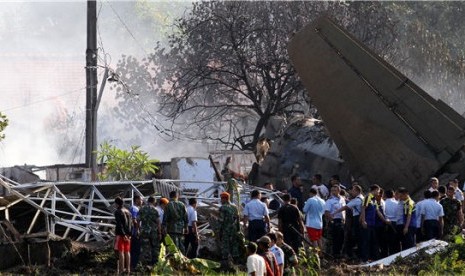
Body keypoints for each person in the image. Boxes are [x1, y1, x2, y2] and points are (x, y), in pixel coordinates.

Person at [332, 184, 363, 258]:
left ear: (357, 191)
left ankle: (357, 255)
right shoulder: (363, 198)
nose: (351, 192)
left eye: (353, 190)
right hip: (360, 219)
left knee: (356, 237)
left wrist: (334, 213)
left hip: (356, 219)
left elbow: (345, 207)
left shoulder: (357, 200)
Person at [360, 185, 382, 262]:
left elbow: (377, 211)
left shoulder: (374, 200)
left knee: (373, 241)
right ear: (375, 190)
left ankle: (373, 258)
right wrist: (363, 221)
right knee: (366, 241)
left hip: (373, 224)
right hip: (367, 223)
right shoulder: (367, 197)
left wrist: (385, 220)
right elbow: (363, 208)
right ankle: (364, 259)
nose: (378, 193)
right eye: (378, 191)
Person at [138, 196, 162, 266]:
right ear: (154, 201)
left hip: (144, 231)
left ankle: (143, 264)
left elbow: (138, 220)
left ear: (148, 201)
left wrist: (138, 230)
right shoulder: (155, 210)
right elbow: (158, 223)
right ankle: (154, 264)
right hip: (153, 232)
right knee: (155, 247)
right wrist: (160, 233)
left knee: (144, 248)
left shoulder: (142, 209)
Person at [218, 192, 241, 261]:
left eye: (221, 199)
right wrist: (238, 229)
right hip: (234, 229)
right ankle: (236, 259)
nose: (221, 201)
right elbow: (238, 218)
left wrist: (218, 230)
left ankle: (225, 260)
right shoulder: (234, 207)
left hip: (226, 229)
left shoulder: (222, 208)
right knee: (234, 244)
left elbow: (221, 220)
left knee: (225, 244)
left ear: (225, 199)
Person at [325, 184, 346, 257]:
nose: (333, 192)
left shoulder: (342, 199)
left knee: (341, 238)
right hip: (334, 220)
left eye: (335, 190)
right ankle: (334, 254)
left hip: (342, 221)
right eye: (332, 190)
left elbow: (344, 210)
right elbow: (327, 212)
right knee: (334, 239)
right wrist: (331, 220)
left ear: (339, 191)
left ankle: (339, 253)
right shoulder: (330, 200)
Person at [114, 196, 132, 274]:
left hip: (121, 234)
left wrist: (123, 234)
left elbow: (119, 224)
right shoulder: (128, 212)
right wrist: (129, 234)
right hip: (128, 234)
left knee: (120, 251)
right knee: (127, 251)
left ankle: (121, 269)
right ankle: (128, 269)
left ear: (117, 204)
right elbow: (131, 224)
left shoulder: (118, 211)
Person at [383, 189, 400, 254]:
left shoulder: (383, 203)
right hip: (395, 223)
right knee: (396, 242)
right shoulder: (397, 203)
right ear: (393, 195)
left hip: (386, 223)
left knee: (387, 241)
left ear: (385, 195)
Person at [129, 195, 142, 270]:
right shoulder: (134, 208)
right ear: (137, 200)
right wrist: (138, 230)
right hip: (135, 233)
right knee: (135, 250)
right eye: (141, 200)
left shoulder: (136, 208)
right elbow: (134, 220)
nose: (142, 201)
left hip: (135, 232)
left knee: (135, 250)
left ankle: (133, 265)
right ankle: (133, 266)